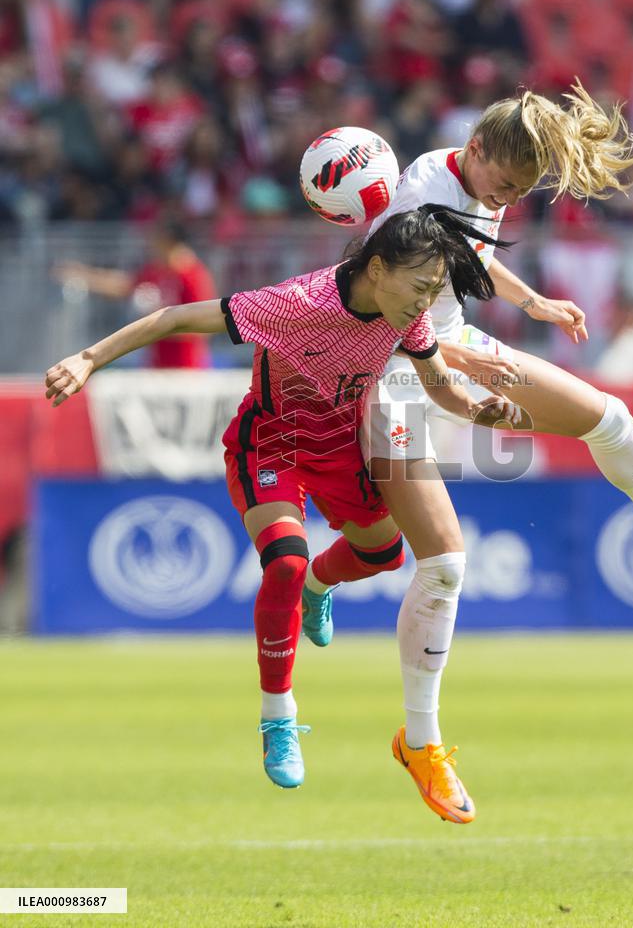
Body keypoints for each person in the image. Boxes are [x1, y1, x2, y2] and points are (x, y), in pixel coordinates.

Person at [300, 82, 633, 823]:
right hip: (391, 366)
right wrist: (469, 367)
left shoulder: (479, 179)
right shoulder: (422, 194)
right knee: (442, 563)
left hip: (450, 343)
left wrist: (531, 303)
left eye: (520, 190)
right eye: (507, 184)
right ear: (476, 149)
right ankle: (421, 742)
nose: (510, 197)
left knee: (606, 416)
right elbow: (392, 312)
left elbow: (471, 254)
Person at [44, 205, 520, 799]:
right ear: (377, 268)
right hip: (271, 447)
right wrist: (88, 358)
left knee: (383, 556)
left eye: (434, 291)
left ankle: (321, 585)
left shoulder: (408, 317)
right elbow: (174, 317)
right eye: (421, 286)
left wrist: (476, 409)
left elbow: (438, 384)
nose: (426, 303)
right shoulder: (295, 304)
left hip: (339, 449)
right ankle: (279, 718)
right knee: (286, 562)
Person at [53, 218, 216, 368]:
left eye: (156, 238)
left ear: (169, 240)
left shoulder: (194, 276)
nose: (151, 244)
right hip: (157, 366)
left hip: (187, 369)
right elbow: (124, 285)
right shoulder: (156, 271)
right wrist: (85, 275)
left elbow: (204, 328)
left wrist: (163, 320)